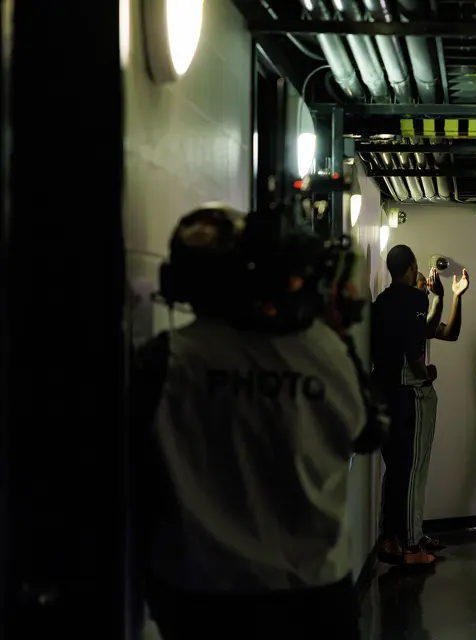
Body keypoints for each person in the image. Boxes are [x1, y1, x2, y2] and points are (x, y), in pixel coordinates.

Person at [132, 205, 375, 640]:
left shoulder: (167, 358)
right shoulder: (328, 351)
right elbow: (371, 433)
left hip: (204, 592)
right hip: (312, 590)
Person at [372, 246, 466, 565]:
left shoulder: (382, 303)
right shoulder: (411, 300)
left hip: (384, 393)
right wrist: (425, 377)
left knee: (397, 470)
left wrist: (446, 298)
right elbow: (414, 351)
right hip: (409, 394)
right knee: (413, 470)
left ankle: (391, 537)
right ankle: (412, 546)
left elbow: (438, 331)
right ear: (412, 267)